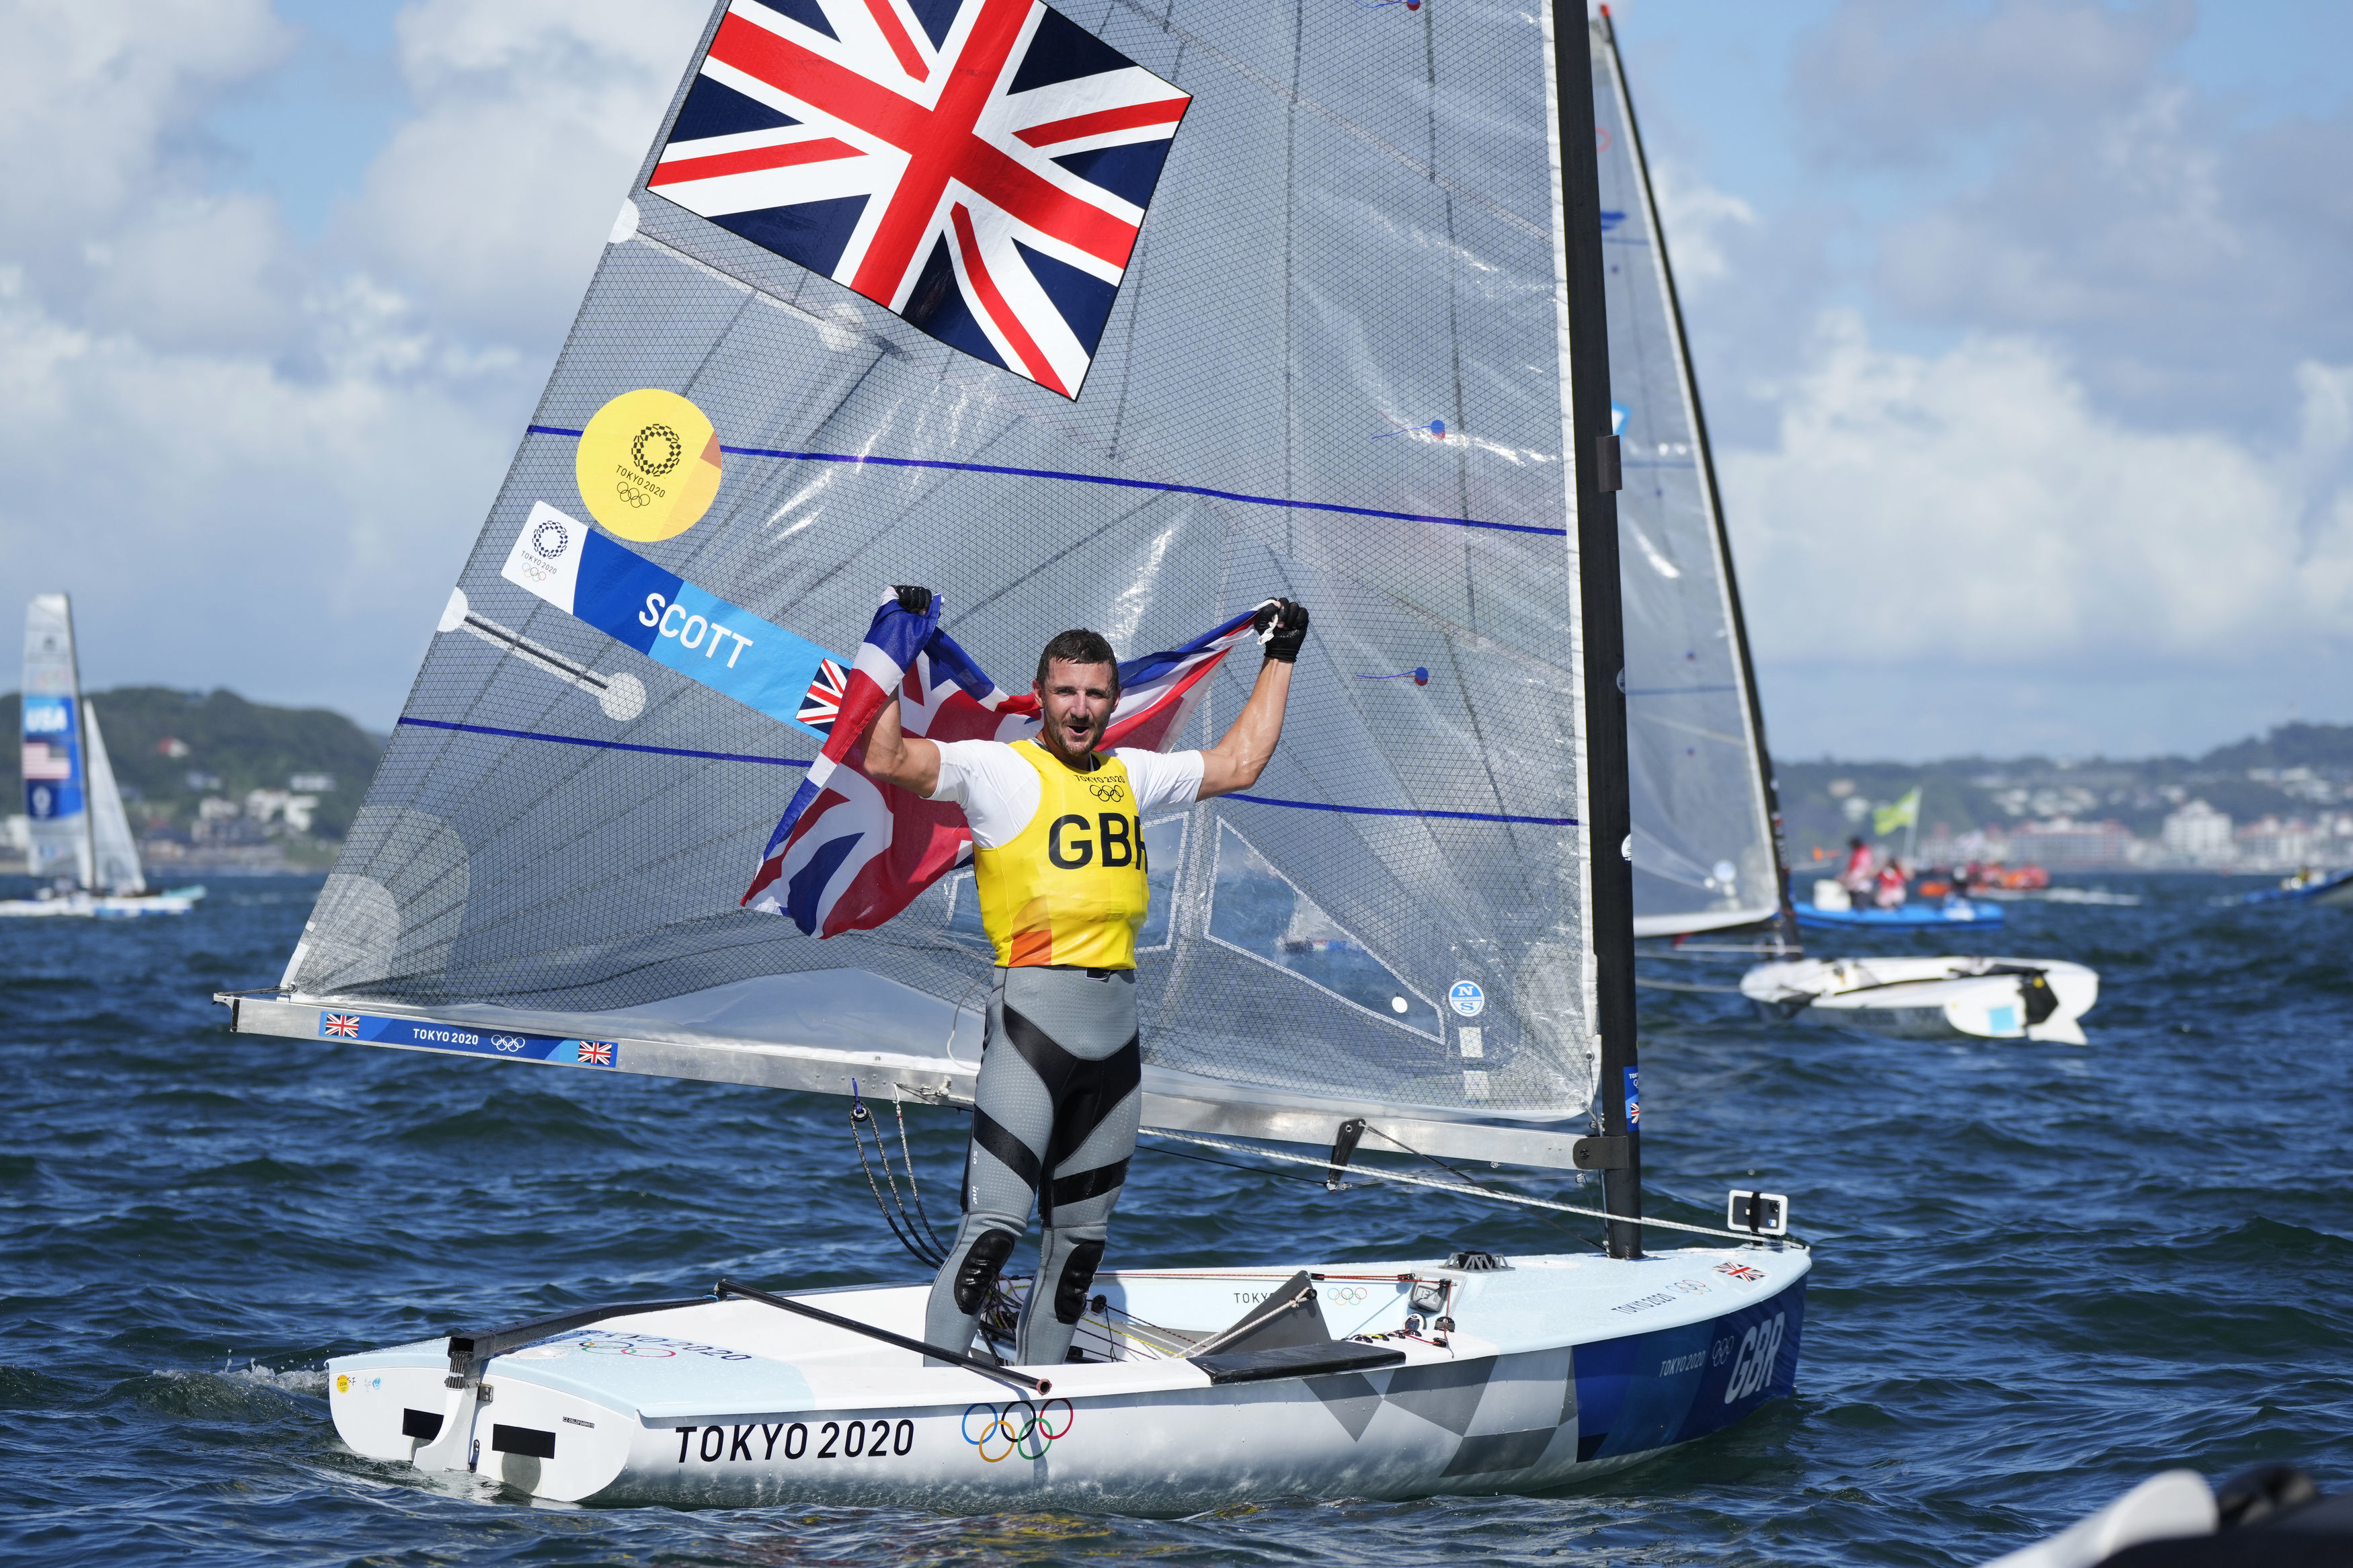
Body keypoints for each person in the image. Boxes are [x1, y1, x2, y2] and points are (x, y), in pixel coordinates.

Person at [863, 590, 1310, 1368]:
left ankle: (1048, 1398)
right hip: (1031, 1032)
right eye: (1065, 692)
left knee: (1077, 1250)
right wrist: (889, 648)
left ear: (1111, 699)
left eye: (1095, 693)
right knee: (992, 1234)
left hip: (1115, 1043)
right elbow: (885, 757)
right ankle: (935, 1393)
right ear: (1040, 695)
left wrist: (1281, 656)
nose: (1079, 708)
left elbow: (1239, 761)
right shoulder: (995, 767)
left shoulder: (1129, 774)